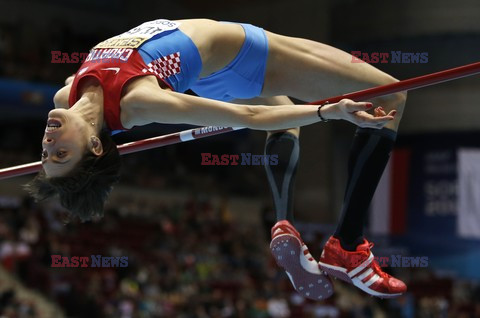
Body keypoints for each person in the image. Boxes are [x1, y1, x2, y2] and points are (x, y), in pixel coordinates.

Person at [25, 18, 404, 300]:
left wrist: (58, 167)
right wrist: (327, 111)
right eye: (61, 152)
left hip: (207, 74)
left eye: (46, 151)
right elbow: (248, 119)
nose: (48, 141)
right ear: (94, 145)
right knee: (391, 95)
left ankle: (285, 223)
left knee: (284, 123)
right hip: (245, 56)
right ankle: (348, 247)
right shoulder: (136, 102)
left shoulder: (65, 98)